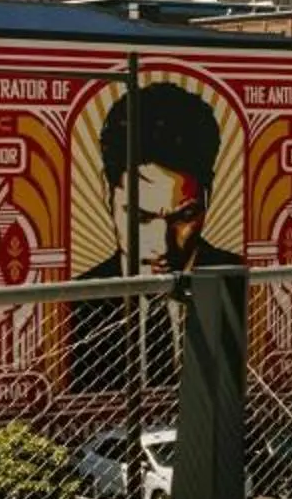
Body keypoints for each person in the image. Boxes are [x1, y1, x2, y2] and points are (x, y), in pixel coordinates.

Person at [67, 81, 240, 393]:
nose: (161, 246)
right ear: (108, 195)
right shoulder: (77, 303)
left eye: (184, 217)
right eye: (141, 217)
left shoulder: (238, 286)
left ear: (209, 197)